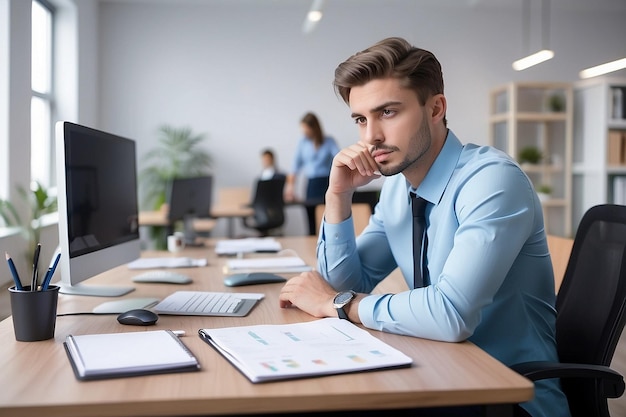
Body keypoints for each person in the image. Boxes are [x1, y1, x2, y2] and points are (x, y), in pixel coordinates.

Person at [278, 37, 570, 417]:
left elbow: (450, 315)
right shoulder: (399, 189)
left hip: (506, 397)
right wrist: (336, 197)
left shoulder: (492, 181)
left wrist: (338, 305)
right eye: (361, 119)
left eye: (388, 112)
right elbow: (345, 283)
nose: (371, 137)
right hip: (439, 373)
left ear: (436, 108)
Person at [285, 112, 340, 235]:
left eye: (306, 129)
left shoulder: (329, 141)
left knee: (329, 217)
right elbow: (295, 166)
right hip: (311, 185)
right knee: (311, 220)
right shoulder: (302, 143)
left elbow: (339, 158)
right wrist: (290, 188)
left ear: (313, 127)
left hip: (326, 183)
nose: (304, 132)